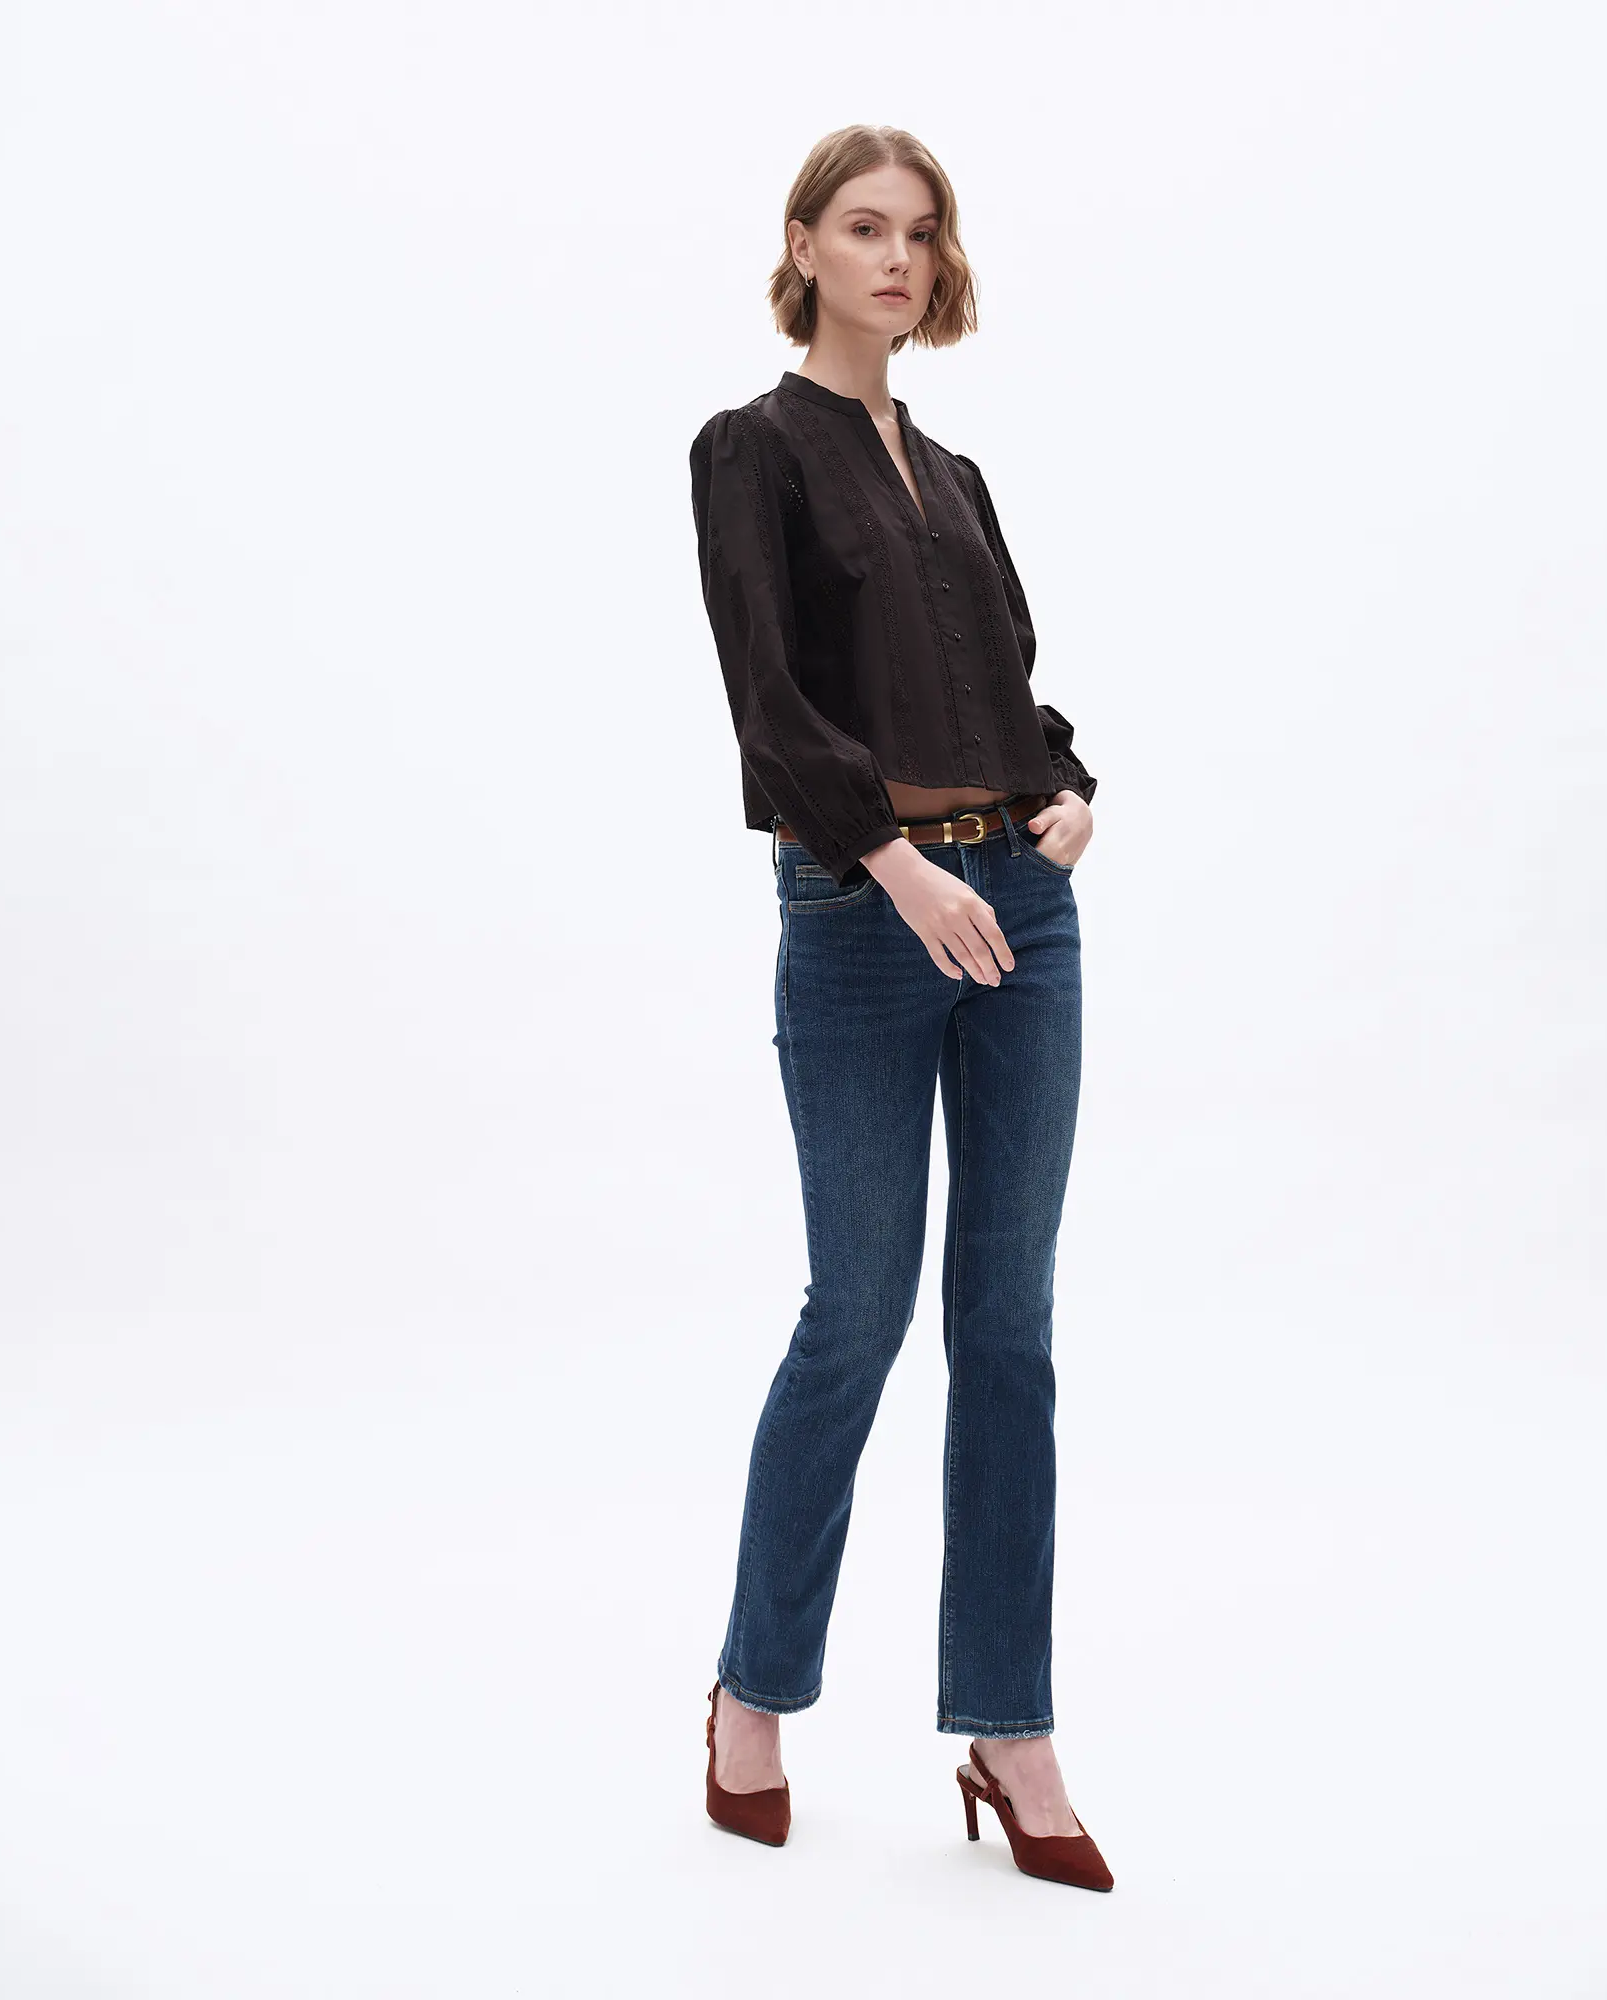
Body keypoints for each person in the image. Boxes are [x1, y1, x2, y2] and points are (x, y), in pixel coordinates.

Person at [688, 124, 1111, 1892]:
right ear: (802, 244)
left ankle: (1009, 1727)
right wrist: (892, 866)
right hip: (866, 915)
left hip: (1021, 902)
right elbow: (770, 701)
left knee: (1007, 1325)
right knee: (855, 1313)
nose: (895, 258)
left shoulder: (958, 472)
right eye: (864, 227)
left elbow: (1011, 686)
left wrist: (1067, 791)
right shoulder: (750, 449)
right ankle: (753, 1691)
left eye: (920, 234)